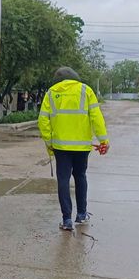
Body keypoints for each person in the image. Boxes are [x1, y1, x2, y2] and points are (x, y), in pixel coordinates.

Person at [37, 67, 110, 231]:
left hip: (60, 147)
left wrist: (49, 143)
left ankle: (66, 220)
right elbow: (96, 117)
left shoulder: (51, 93)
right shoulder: (86, 90)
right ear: (75, 78)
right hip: (82, 147)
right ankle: (82, 214)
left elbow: (43, 121)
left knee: (63, 180)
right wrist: (103, 140)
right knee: (80, 176)